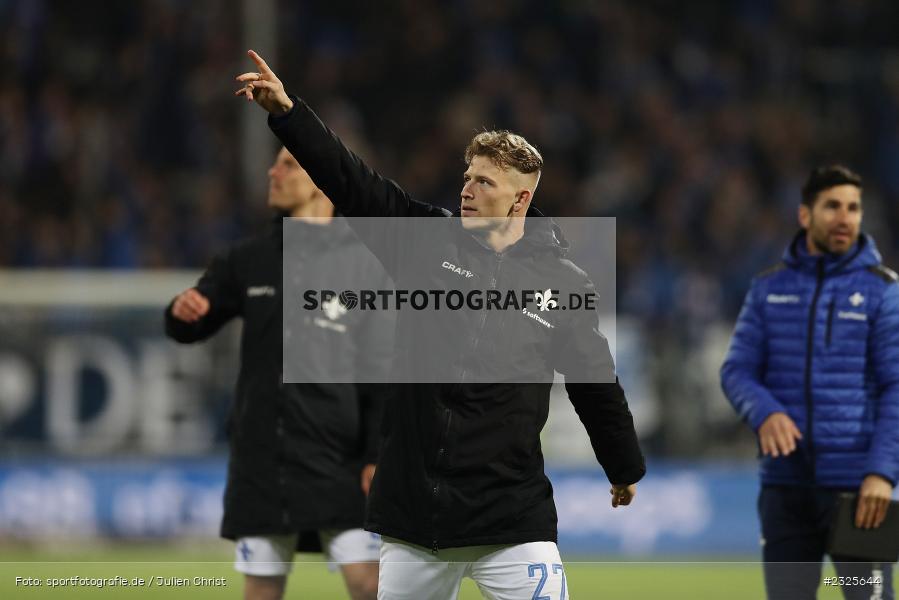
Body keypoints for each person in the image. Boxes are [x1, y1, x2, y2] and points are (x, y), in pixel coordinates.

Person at [234, 50, 645, 600]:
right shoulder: (426, 242)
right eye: (467, 178)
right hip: (415, 521)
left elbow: (595, 381)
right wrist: (288, 114)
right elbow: (353, 183)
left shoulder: (563, 283)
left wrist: (622, 465)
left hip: (510, 520)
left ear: (522, 199)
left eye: (485, 183)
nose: (467, 191)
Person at [165, 146, 392, 600]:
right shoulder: (247, 259)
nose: (273, 171)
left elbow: (383, 370)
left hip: (339, 463)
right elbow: (189, 324)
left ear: (321, 179)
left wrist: (376, 454)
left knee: (370, 586)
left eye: (288, 164)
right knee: (262, 591)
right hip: (263, 463)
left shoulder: (364, 264)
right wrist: (181, 312)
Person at [721, 165, 899, 599]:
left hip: (859, 495)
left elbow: (897, 386)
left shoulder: (884, 291)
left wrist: (882, 472)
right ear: (805, 215)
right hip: (786, 491)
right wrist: (765, 412)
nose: (845, 218)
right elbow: (736, 371)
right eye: (833, 206)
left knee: (865, 595)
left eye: (854, 208)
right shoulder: (769, 289)